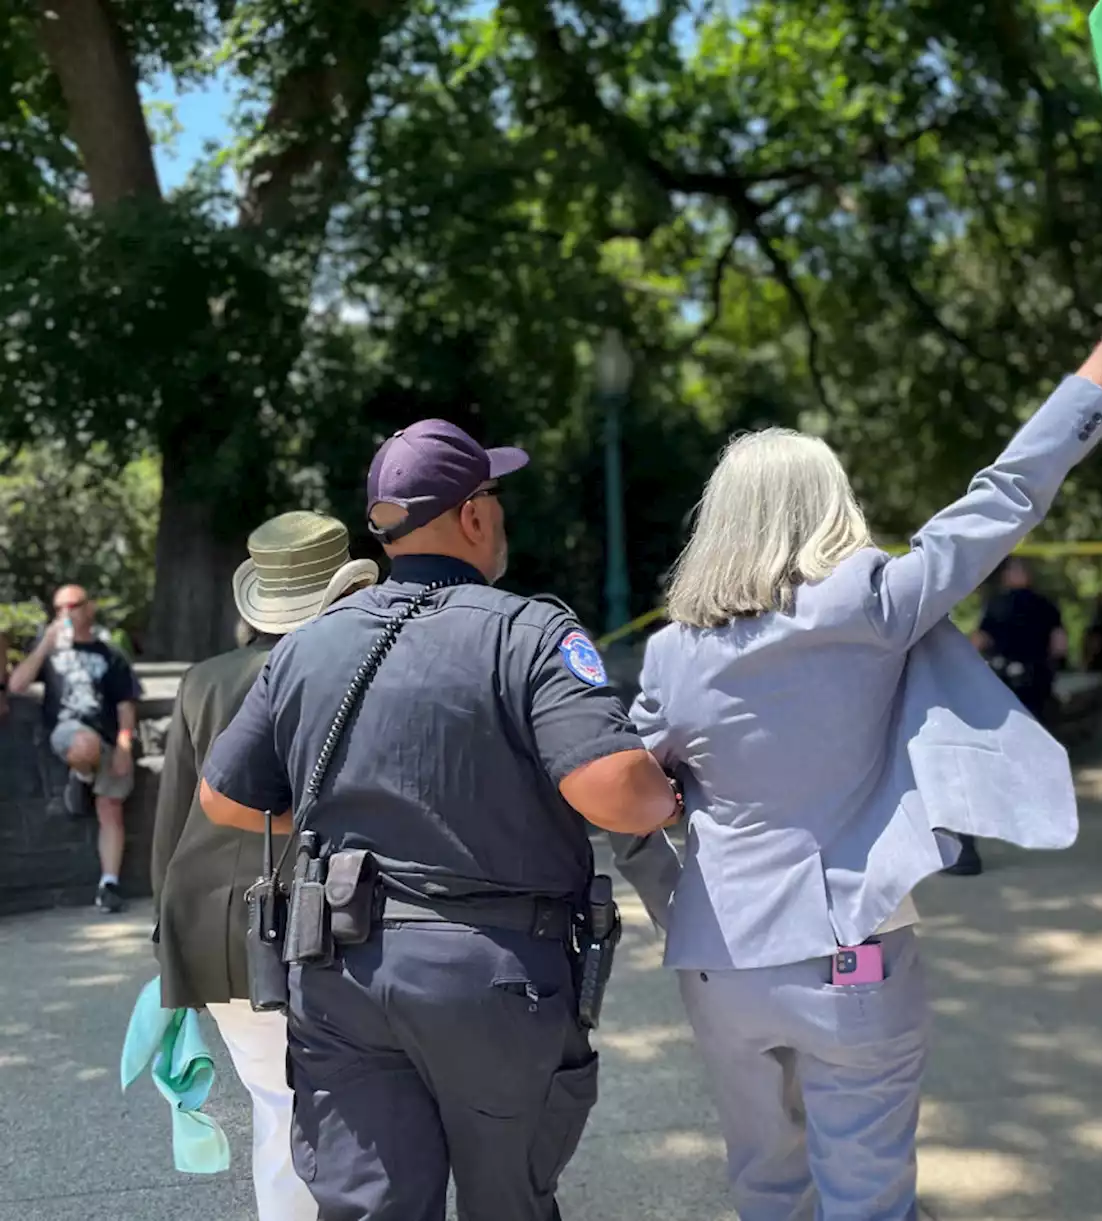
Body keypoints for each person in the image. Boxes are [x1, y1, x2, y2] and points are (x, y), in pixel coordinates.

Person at [627, 200, 1102, 1219]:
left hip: (717, 965)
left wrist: (673, 897)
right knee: (869, 1195)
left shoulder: (668, 653)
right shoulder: (870, 600)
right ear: (830, 505)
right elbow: (1008, 489)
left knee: (764, 1188)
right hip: (856, 956)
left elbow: (624, 797)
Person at [198, 418, 681, 1220]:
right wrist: (667, 790)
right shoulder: (530, 634)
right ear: (474, 513)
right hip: (492, 973)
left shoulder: (307, 646)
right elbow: (618, 793)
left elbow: (224, 798)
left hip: (339, 972)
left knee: (368, 1205)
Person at [152, 511, 379, 1221]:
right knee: (328, 1107)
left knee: (275, 1103)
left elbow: (173, 825)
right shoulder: (345, 669)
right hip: (310, 920)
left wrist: (163, 932)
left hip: (205, 920)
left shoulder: (203, 679)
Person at [7, 584, 141, 912]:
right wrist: (44, 647)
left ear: (89, 608)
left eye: (74, 605)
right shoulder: (50, 650)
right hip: (67, 732)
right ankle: (80, 779)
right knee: (85, 743)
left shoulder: (109, 654)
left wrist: (125, 745)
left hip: (107, 737)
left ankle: (108, 884)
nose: (66, 612)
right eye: (60, 608)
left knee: (111, 807)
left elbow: (126, 705)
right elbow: (16, 685)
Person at [957, 557, 1068, 874]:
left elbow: (980, 641)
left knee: (996, 749)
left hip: (1005, 686)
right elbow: (1059, 645)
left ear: (1007, 577)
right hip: (1039, 683)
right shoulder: (1047, 605)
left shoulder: (998, 606)